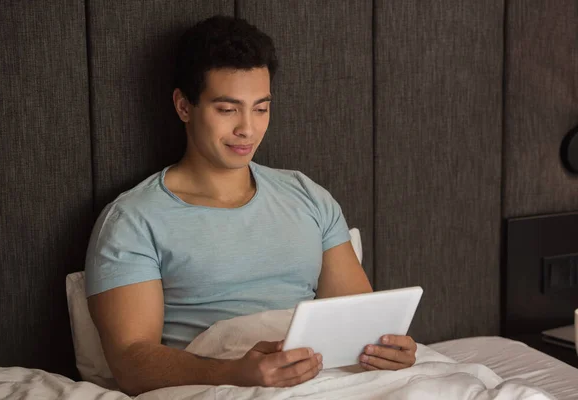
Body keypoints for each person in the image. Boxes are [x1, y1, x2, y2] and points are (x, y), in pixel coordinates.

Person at [85, 15, 417, 396]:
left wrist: (387, 350)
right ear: (183, 106)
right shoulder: (133, 219)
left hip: (324, 380)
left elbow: (361, 322)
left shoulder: (307, 196)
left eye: (260, 108)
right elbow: (130, 362)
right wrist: (236, 373)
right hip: (222, 386)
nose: (248, 128)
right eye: (227, 110)